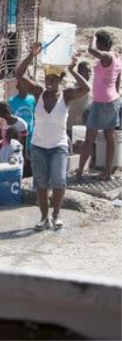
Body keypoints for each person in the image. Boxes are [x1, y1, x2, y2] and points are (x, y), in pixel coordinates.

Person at [16, 44, 90, 230]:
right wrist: (31, 55)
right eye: (47, 78)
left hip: (59, 146)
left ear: (60, 79)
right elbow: (19, 75)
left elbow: (86, 88)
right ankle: (44, 217)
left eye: (53, 79)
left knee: (59, 181)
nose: (49, 82)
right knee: (41, 184)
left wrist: (72, 69)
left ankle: (56, 215)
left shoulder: (66, 96)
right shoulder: (38, 92)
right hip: (38, 146)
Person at [77, 31, 122, 181]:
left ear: (101, 44)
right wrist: (115, 97)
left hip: (101, 102)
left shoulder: (107, 56)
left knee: (89, 138)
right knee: (109, 137)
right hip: (112, 100)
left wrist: (93, 37)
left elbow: (91, 50)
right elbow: (117, 82)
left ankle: (79, 172)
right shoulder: (117, 57)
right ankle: (107, 173)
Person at [8, 79, 36, 148]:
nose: (25, 86)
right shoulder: (11, 101)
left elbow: (35, 116)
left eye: (26, 84)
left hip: (31, 137)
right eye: (22, 84)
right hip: (18, 137)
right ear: (17, 86)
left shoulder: (33, 99)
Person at [66, 61, 92, 136]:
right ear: (79, 72)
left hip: (84, 127)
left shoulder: (92, 88)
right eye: (86, 71)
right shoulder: (73, 88)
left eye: (90, 71)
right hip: (71, 127)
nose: (89, 74)